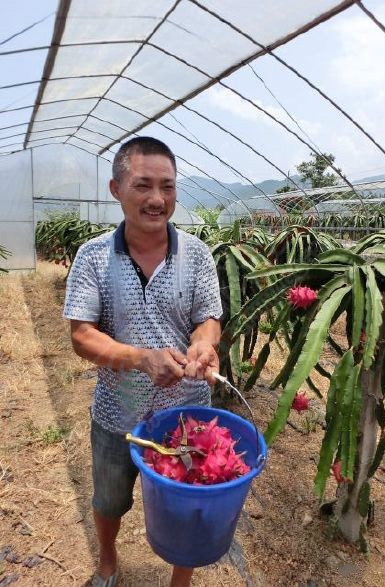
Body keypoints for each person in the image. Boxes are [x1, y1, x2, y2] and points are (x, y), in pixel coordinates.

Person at [63, 137, 223, 587]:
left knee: (189, 500)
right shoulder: (93, 257)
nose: (157, 199)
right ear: (116, 188)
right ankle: (109, 561)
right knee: (109, 499)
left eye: (167, 187)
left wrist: (203, 345)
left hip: (186, 413)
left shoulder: (198, 255)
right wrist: (140, 358)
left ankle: (181, 580)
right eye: (143, 185)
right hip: (119, 414)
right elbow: (81, 336)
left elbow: (208, 318)